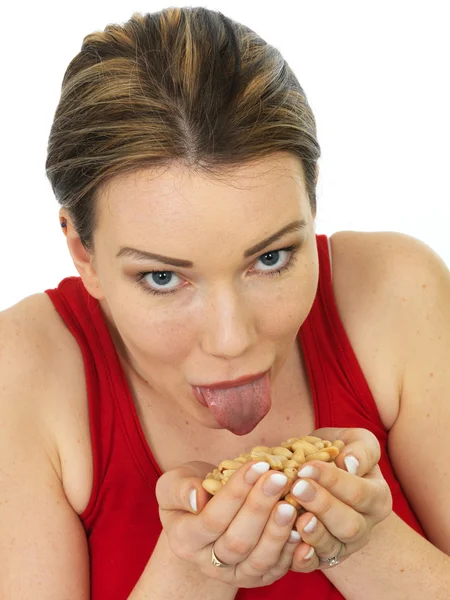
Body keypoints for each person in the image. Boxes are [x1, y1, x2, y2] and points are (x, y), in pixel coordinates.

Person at [1, 6, 449, 600]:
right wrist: (191, 572)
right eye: (163, 277)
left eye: (270, 259)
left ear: (312, 206)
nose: (232, 338)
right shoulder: (22, 371)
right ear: (84, 253)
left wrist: (363, 542)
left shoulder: (396, 291)